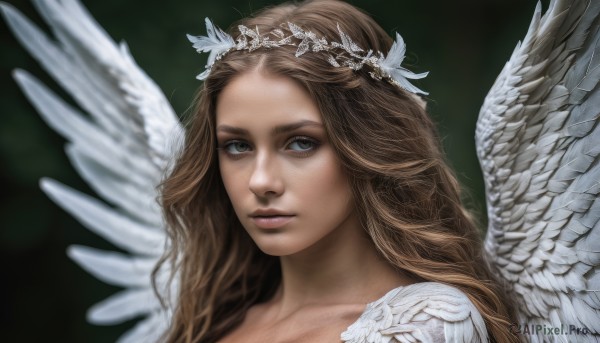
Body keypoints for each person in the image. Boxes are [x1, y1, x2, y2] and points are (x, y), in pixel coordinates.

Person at [155, 0, 518, 342]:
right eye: (238, 146)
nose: (260, 181)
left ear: (367, 145)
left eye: (300, 143)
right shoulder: (208, 319)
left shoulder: (426, 323)